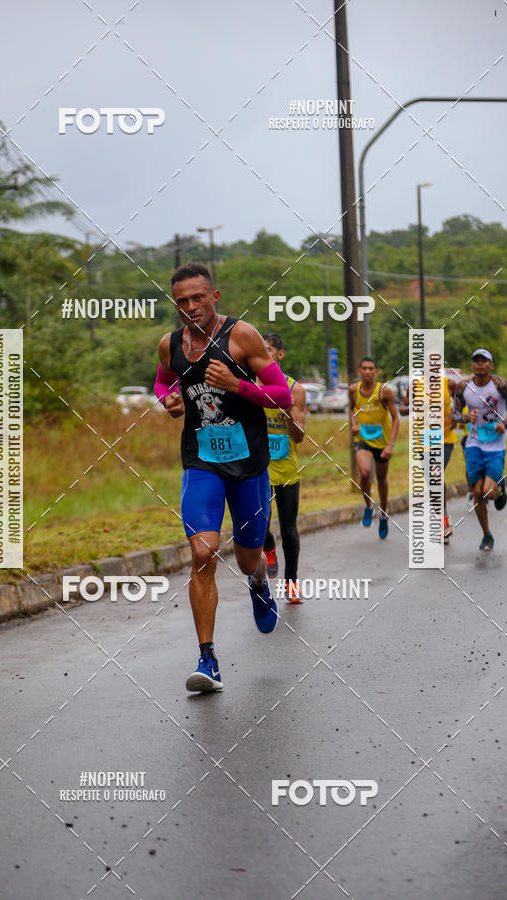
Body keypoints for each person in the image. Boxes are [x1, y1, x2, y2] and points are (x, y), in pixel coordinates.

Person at [154, 263, 292, 693]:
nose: (190, 307)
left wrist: (237, 385)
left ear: (215, 296)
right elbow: (161, 383)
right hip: (201, 462)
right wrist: (169, 400)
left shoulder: (243, 337)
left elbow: (282, 395)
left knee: (249, 557)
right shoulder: (170, 344)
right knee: (203, 552)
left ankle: (257, 581)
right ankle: (208, 659)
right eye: (182, 301)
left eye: (198, 298)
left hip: (249, 466)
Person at [453, 348, 507, 551]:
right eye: (476, 361)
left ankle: (499, 488)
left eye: (484, 361)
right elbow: (454, 413)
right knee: (477, 492)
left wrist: (505, 423)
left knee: (488, 492)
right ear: (472, 365)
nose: (480, 364)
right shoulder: (463, 386)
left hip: (495, 445)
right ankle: (487, 535)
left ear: (491, 364)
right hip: (473, 444)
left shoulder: (501, 385)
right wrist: (465, 417)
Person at [261, 334, 306, 603]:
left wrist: (288, 411)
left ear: (280, 355)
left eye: (267, 350)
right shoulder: (249, 385)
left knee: (289, 529)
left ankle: (292, 584)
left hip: (286, 468)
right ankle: (268, 547)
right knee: (260, 527)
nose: (262, 354)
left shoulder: (295, 389)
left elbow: (300, 436)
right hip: (257, 469)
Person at [400, 370, 457, 544]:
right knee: (433, 482)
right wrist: (411, 407)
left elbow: (461, 401)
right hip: (424, 441)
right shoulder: (415, 386)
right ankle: (443, 521)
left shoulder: (449, 384)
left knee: (435, 475)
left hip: (445, 439)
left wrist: (455, 416)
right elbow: (403, 409)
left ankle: (444, 523)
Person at [349, 357, 399, 539]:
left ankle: (384, 514)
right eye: (364, 368)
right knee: (363, 473)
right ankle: (368, 506)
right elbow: (352, 409)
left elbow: (396, 419)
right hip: (363, 440)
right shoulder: (353, 390)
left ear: (376, 372)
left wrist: (391, 445)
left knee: (381, 480)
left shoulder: (384, 392)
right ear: (359, 371)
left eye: (371, 368)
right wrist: (354, 424)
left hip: (383, 443)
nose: (368, 371)